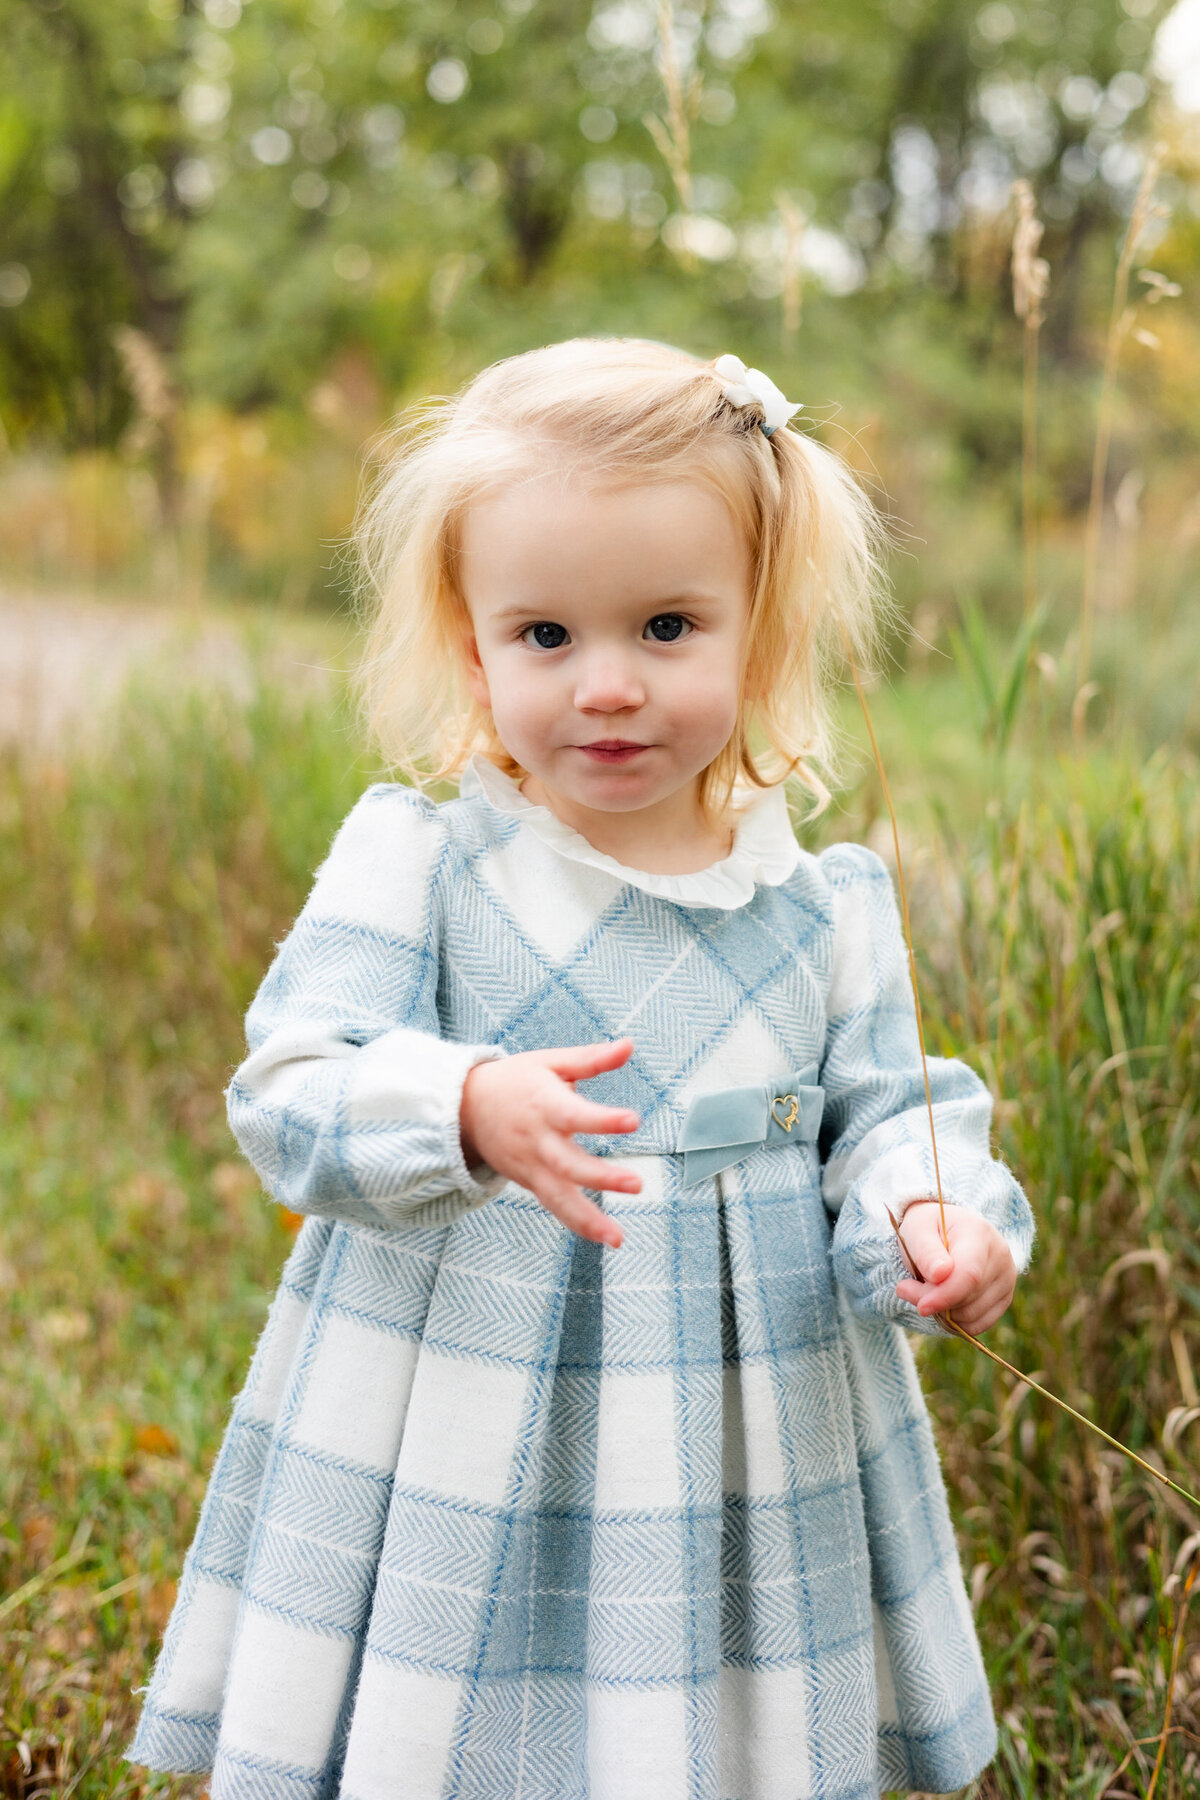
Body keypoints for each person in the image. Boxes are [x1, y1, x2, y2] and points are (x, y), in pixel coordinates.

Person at [128, 337, 1033, 1800]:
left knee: (715, 1731)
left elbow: (887, 1121)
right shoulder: (424, 862)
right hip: (465, 1414)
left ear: (763, 632)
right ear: (472, 645)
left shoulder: (824, 905)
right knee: (462, 1725)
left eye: (668, 626)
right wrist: (466, 1106)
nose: (607, 686)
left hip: (738, 1442)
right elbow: (291, 1089)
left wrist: (931, 1221)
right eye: (545, 635)